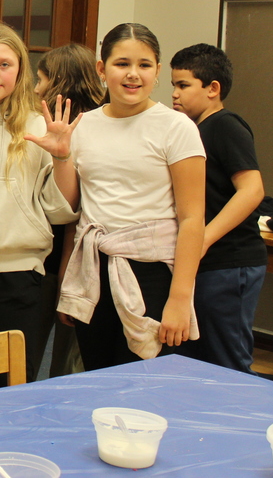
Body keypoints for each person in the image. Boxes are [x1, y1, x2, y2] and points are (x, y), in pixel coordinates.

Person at [58, 23, 206, 370]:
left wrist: (180, 299)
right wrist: (61, 155)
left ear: (157, 70)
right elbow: (72, 209)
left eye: (144, 65)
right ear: (101, 68)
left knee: (143, 387)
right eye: (122, 63)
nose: (133, 75)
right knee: (95, 378)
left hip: (151, 273)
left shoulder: (177, 127)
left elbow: (192, 219)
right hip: (92, 269)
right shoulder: (84, 125)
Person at [0, 23, 79, 391]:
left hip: (16, 276)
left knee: (4, 389)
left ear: (20, 70)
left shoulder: (40, 127)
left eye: (5, 64)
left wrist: (63, 157)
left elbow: (61, 211)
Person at [170, 43, 266, 373]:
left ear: (213, 89)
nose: (175, 94)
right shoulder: (191, 131)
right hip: (205, 263)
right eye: (173, 85)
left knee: (227, 361)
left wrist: (203, 237)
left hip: (230, 261)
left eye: (183, 85)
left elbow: (252, 190)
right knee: (198, 357)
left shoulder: (226, 125)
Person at [33, 44, 105, 378]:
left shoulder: (70, 127)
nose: (35, 89)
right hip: (80, 257)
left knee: (61, 356)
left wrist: (65, 275)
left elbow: (72, 211)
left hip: (65, 253)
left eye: (41, 79)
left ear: (59, 81)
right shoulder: (103, 120)